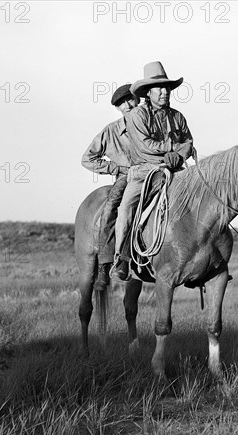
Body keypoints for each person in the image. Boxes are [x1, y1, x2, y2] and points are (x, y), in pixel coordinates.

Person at [112, 62, 194, 281]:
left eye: (167, 87)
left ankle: (199, 258)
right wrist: (171, 149)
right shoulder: (137, 115)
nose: (164, 92)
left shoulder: (177, 117)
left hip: (175, 170)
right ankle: (122, 257)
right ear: (148, 92)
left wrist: (180, 155)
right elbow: (145, 145)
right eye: (159, 88)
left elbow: (188, 141)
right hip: (144, 173)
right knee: (126, 209)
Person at [81, 83, 139, 290]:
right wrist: (114, 168)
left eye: (130, 99)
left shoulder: (152, 123)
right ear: (118, 108)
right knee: (111, 209)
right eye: (122, 103)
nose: (128, 105)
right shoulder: (111, 131)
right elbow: (87, 159)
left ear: (138, 99)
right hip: (126, 176)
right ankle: (106, 266)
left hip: (155, 173)